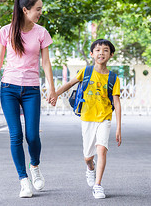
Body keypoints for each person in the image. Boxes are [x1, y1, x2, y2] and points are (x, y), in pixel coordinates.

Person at [0, 0, 57, 198]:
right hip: (8, 88)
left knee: (33, 136)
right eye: (38, 9)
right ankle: (23, 180)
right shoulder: (7, 31)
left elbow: (45, 63)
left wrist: (51, 89)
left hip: (31, 90)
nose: (40, 13)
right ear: (25, 10)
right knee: (15, 135)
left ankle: (34, 165)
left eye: (41, 9)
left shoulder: (41, 32)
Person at [56, 39, 122, 199]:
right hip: (87, 118)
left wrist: (119, 127)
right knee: (88, 156)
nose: (102, 53)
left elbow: (117, 103)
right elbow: (70, 83)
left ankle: (98, 185)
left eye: (106, 50)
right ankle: (90, 167)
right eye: (98, 50)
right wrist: (54, 94)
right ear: (92, 54)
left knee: (102, 150)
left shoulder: (114, 78)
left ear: (111, 55)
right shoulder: (86, 72)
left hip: (104, 118)